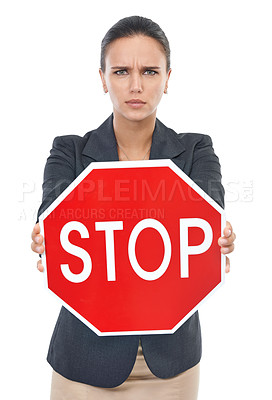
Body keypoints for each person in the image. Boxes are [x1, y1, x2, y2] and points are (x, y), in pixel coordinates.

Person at [31, 16, 236, 400]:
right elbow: (52, 210)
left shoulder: (196, 150)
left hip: (171, 366)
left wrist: (220, 236)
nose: (136, 85)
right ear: (103, 78)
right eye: (122, 71)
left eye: (150, 71)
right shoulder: (69, 151)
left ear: (168, 78)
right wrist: (47, 236)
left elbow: (210, 213)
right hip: (84, 362)